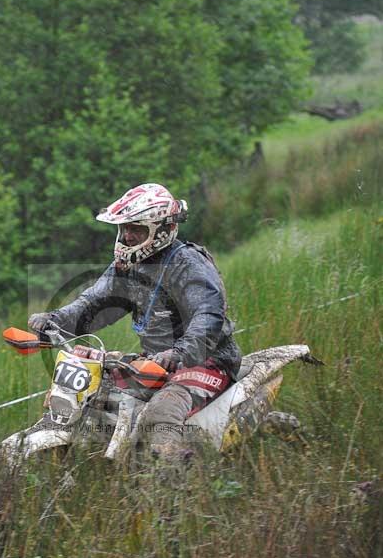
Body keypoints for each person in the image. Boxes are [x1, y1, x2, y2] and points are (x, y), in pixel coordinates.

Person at [29, 183, 241, 461]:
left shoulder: (188, 263)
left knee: (161, 409)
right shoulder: (128, 266)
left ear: (161, 230)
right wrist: (54, 321)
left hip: (205, 361)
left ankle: (173, 473)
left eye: (136, 229)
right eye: (124, 229)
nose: (127, 236)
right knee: (90, 389)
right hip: (155, 361)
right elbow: (95, 302)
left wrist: (179, 353)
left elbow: (209, 315)